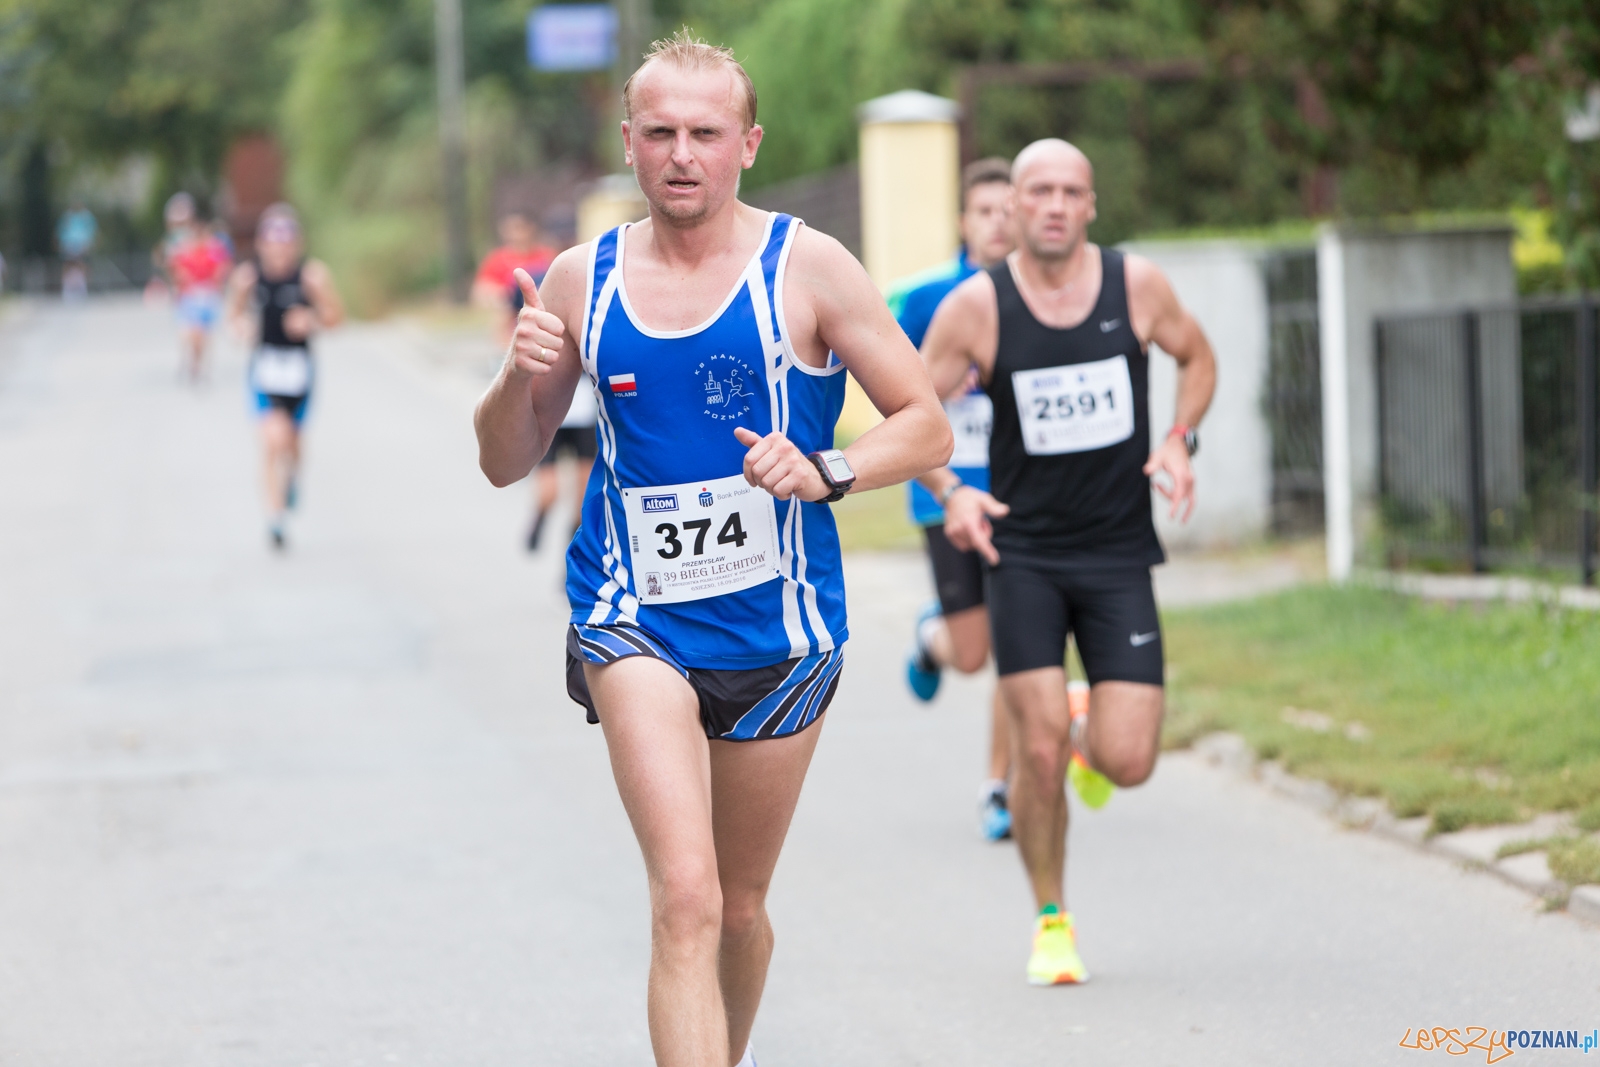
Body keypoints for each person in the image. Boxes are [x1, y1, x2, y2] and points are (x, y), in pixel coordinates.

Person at [473, 32, 949, 1067]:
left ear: (747, 144)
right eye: (660, 133)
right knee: (682, 895)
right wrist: (520, 377)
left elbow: (924, 422)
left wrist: (828, 470)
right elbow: (504, 461)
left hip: (780, 627)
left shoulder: (809, 266)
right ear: (631, 144)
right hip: (631, 614)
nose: (681, 153)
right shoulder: (577, 279)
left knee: (737, 907)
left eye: (704, 133)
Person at [921, 138, 1216, 986]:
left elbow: (1198, 357)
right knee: (1038, 754)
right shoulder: (977, 307)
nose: (1053, 205)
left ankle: (1087, 728)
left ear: (1091, 206)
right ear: (1012, 206)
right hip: (1023, 556)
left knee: (1127, 760)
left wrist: (1179, 439)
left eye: (1070, 191)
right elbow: (909, 401)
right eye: (1038, 190)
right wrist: (952, 491)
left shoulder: (1138, 287)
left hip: (1120, 552)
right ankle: (1052, 919)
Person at [886, 157, 1019, 841]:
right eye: (986, 210)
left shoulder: (1041, 294)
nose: (1000, 222)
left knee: (1022, 647)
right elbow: (894, 392)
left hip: (1025, 497)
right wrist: (942, 384)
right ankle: (933, 639)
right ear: (964, 221)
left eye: (1010, 208)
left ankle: (1001, 786)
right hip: (948, 492)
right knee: (974, 653)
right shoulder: (927, 298)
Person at [225, 204, 345, 549]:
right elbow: (232, 315)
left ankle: (292, 477)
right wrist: (241, 326)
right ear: (261, 245)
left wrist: (312, 320)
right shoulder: (247, 278)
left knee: (292, 441)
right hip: (264, 368)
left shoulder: (312, 277)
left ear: (296, 244)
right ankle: (275, 520)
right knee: (272, 439)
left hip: (299, 372)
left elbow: (337, 318)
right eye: (272, 242)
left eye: (286, 242)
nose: (279, 250)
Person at [472, 212, 594, 550]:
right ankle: (538, 522)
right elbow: (506, 317)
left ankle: (572, 553)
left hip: (586, 400)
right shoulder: (541, 275)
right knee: (550, 488)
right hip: (549, 390)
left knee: (584, 490)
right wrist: (509, 357)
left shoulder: (595, 276)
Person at [155, 193, 233, 382]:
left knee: (202, 334)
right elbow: (170, 264)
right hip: (188, 295)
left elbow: (223, 266)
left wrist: (218, 282)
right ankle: (191, 362)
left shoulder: (213, 246)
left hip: (207, 295)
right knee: (188, 332)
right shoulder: (180, 245)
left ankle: (199, 365)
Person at [57, 201, 97, 301]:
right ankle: (66, 289)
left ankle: (83, 289)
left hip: (81, 244)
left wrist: (88, 244)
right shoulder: (67, 217)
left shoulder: (86, 217)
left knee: (82, 265)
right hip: (69, 244)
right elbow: (61, 231)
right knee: (68, 265)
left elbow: (91, 230)